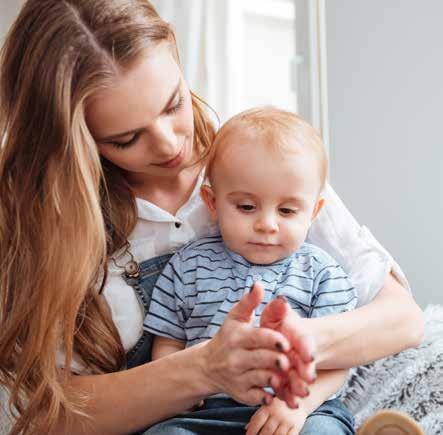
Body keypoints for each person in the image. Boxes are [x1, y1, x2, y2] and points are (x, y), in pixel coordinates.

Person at [0, 1, 423, 435]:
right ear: (73, 142)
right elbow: (45, 415)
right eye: (127, 138)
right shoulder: (39, 226)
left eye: (173, 104)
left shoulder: (258, 158)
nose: (168, 146)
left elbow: (403, 319)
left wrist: (301, 344)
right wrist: (203, 369)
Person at [144, 107, 357, 434]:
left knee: (322, 431)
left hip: (298, 409)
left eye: (286, 210)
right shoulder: (188, 264)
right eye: (246, 207)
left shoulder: (322, 272)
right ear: (212, 203)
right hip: (207, 412)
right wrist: (180, 394)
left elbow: (337, 362)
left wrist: (295, 407)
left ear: (313, 212)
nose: (266, 224)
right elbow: (168, 340)